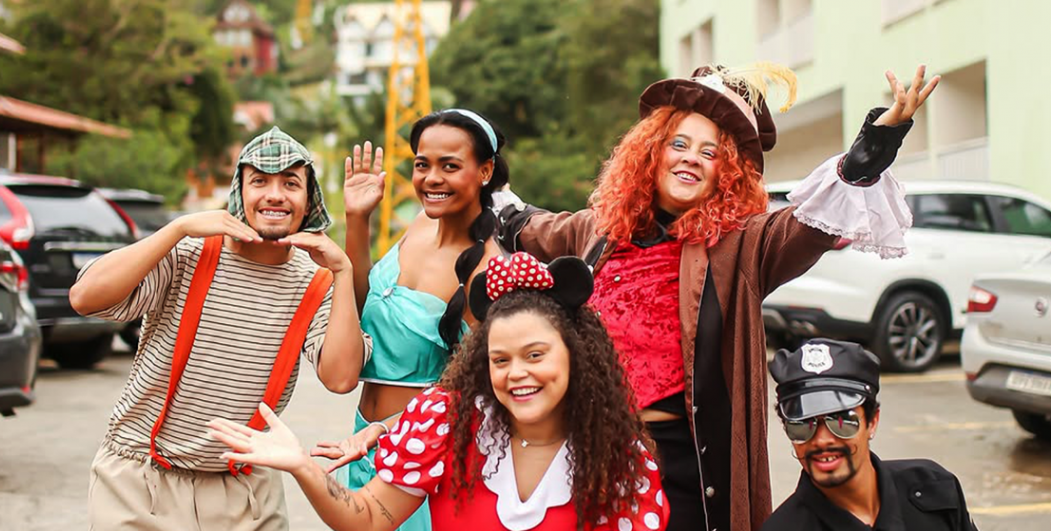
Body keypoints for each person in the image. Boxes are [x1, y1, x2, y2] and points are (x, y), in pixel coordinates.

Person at [498, 63, 939, 530]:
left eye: (710, 153)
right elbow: (526, 224)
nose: (691, 158)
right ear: (652, 152)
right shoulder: (597, 232)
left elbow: (805, 225)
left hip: (681, 465)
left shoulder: (741, 246)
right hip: (587, 450)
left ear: (725, 172)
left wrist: (874, 146)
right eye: (680, 144)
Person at [209, 252, 669, 531]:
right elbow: (367, 517)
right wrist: (304, 468)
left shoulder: (618, 454)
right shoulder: (447, 422)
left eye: (536, 355)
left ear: (574, 356)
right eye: (500, 359)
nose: (517, 374)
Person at [70, 127, 370, 530]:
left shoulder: (314, 281)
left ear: (308, 201)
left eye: (291, 183)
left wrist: (343, 270)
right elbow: (85, 298)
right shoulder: (189, 253)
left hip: (246, 490)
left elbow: (340, 378)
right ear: (238, 193)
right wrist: (177, 229)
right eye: (259, 181)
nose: (275, 194)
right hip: (141, 479)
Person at [318, 109, 508, 530]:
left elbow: (477, 391)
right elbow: (361, 307)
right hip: (364, 437)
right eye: (423, 164)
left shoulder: (486, 268)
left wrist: (388, 431)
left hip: (423, 454)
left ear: (485, 170)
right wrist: (357, 219)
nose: (431, 178)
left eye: (450, 166)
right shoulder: (422, 222)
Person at [764, 339, 978, 530]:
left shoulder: (934, 490)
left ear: (872, 421)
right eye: (802, 425)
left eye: (842, 421)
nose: (821, 440)